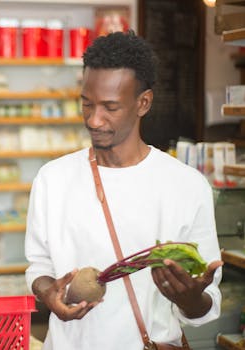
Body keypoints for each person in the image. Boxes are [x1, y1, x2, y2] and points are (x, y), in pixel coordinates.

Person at [24, 30, 223, 349]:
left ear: (143, 103)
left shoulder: (186, 186)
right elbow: (39, 266)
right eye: (86, 104)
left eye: (110, 107)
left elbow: (205, 306)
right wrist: (49, 292)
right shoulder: (53, 179)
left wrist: (190, 299)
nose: (94, 119)